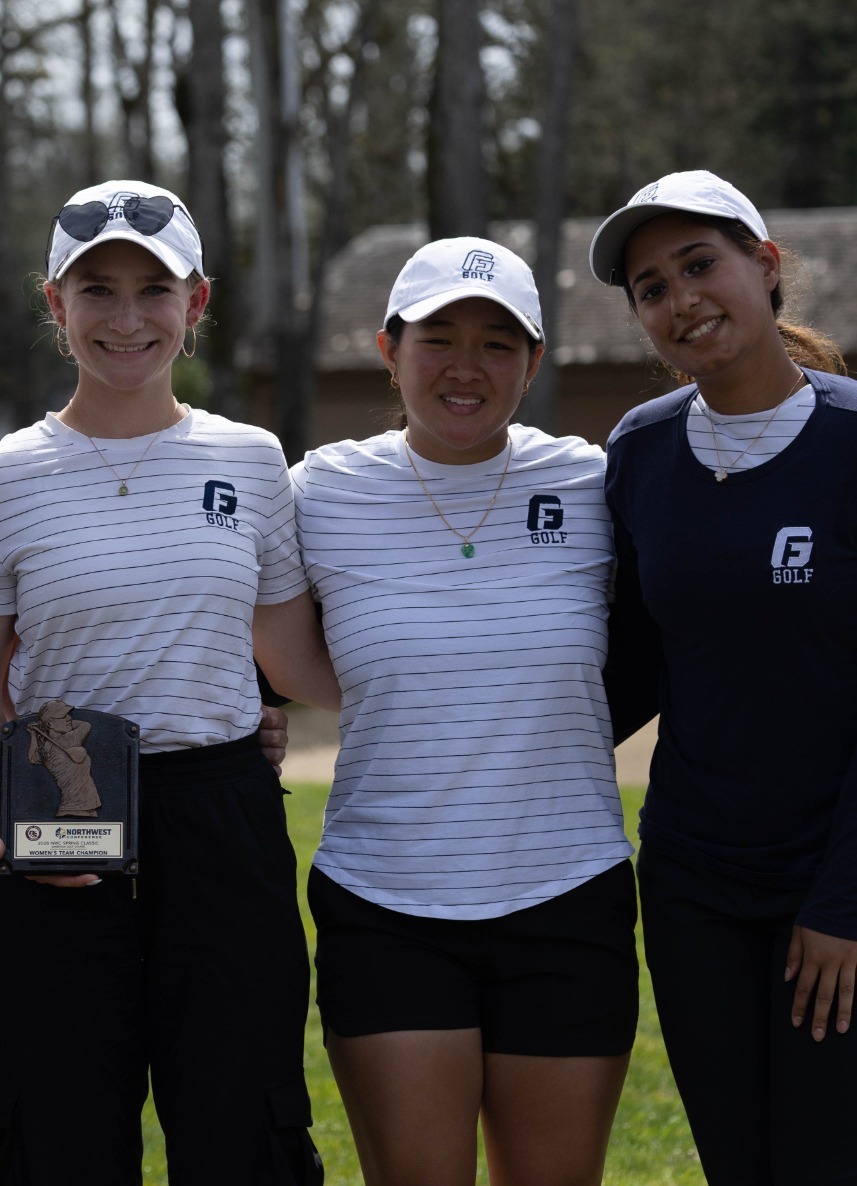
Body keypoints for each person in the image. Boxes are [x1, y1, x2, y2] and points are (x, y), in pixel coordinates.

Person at [0, 179, 339, 1186]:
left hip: (221, 824)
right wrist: (13, 828)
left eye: (154, 290)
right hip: (61, 816)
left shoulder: (252, 461)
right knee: (59, 1140)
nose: (126, 318)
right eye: (97, 290)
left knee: (242, 1133)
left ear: (195, 302)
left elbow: (291, 658)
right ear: (54, 303)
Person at [588, 170, 857, 1185]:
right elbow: (635, 666)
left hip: (850, 874)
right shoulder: (638, 451)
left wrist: (844, 899)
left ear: (764, 265)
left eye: (699, 265)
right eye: (652, 288)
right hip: (695, 884)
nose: (680, 299)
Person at [290, 238, 641, 1186]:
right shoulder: (319, 490)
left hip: (568, 894)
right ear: (389, 350)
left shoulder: (596, 481)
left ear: (534, 361)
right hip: (386, 903)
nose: (465, 366)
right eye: (437, 338)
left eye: (497, 343)